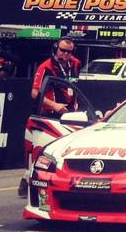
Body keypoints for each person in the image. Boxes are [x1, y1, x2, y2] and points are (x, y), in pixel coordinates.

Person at [19, 38, 81, 196]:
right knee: (41, 149)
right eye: (63, 50)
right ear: (56, 49)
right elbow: (34, 93)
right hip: (49, 114)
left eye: (69, 51)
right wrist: (54, 105)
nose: (66, 54)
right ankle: (27, 179)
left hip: (70, 114)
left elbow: (75, 86)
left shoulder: (76, 64)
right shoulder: (45, 66)